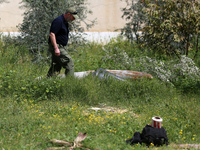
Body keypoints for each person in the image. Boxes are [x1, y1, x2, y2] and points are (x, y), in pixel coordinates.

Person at [47, 8, 78, 77]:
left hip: (60, 46)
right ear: (68, 14)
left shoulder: (64, 21)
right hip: (57, 46)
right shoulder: (58, 21)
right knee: (69, 62)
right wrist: (56, 48)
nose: (74, 19)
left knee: (56, 66)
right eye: (73, 17)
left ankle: (48, 82)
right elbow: (52, 34)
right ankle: (70, 84)